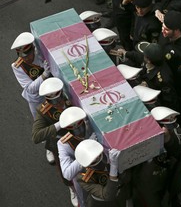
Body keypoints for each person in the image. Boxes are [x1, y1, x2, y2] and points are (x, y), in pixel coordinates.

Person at [31, 77, 77, 206]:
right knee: (65, 170)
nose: (56, 103)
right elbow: (36, 136)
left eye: (57, 99)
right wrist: (58, 125)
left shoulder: (72, 99)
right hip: (61, 141)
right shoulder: (43, 111)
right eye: (51, 101)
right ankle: (72, 189)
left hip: (78, 135)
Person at [158, 10, 181, 123]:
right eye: (163, 27)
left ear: (176, 30)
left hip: (176, 82)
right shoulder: (165, 33)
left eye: (167, 29)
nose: (163, 31)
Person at [57, 106, 96, 207]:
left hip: (99, 165)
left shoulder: (90, 124)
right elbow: (67, 173)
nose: (80, 132)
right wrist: (87, 148)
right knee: (83, 200)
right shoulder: (63, 144)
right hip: (83, 174)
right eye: (75, 130)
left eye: (80, 126)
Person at [11, 32, 50, 119]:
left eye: (28, 55)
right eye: (23, 56)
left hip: (50, 89)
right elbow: (30, 88)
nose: (27, 58)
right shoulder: (17, 67)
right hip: (37, 98)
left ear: (33, 49)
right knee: (41, 120)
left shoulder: (39, 53)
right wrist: (44, 75)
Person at [75, 139, 122, 207]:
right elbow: (107, 195)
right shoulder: (83, 178)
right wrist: (113, 166)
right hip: (103, 204)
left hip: (120, 194)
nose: (97, 157)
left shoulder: (104, 154)